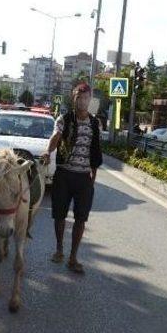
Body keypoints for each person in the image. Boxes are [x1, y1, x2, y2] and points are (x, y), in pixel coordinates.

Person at [41, 83, 102, 274]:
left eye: (86, 98)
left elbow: (96, 149)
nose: (82, 101)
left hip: (84, 177)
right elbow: (56, 136)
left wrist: (93, 175)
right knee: (59, 215)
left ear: (90, 100)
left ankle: (73, 257)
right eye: (78, 97)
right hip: (64, 174)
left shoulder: (94, 123)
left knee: (81, 218)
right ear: (73, 98)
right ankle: (59, 249)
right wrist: (47, 151)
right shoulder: (64, 119)